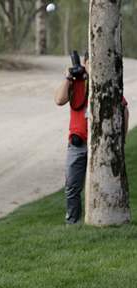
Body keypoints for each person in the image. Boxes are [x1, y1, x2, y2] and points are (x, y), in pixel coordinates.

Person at [54, 51, 129, 224]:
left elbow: (124, 109)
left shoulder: (105, 83)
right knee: (72, 186)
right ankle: (73, 223)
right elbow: (59, 100)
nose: (92, 66)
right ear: (84, 63)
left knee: (103, 185)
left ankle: (102, 220)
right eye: (89, 63)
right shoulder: (76, 82)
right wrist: (68, 78)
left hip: (101, 144)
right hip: (77, 144)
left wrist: (121, 140)